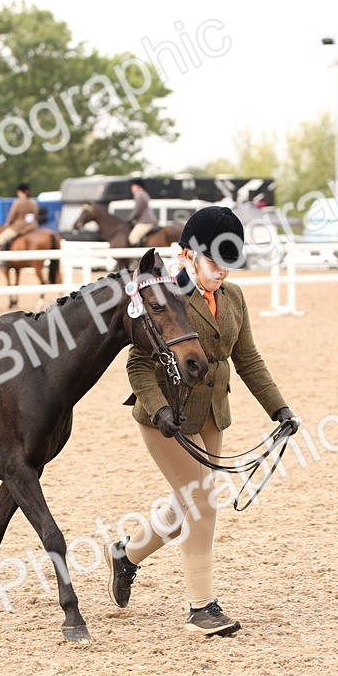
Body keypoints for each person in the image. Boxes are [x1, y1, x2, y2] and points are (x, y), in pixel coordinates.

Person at [105, 206, 300, 636]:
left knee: (186, 503)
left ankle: (127, 555)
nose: (224, 273)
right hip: (165, 416)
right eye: (215, 263)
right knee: (201, 502)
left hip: (212, 413)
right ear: (187, 254)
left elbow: (247, 358)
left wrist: (278, 408)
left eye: (230, 264)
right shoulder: (165, 296)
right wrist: (158, 408)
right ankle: (201, 607)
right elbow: (137, 365)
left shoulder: (234, 299)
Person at [0, 183, 39, 251]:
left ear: (20, 192)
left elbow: (11, 217)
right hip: (32, 226)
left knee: (0, 240)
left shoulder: (18, 202)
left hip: (19, 228)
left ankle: (3, 260)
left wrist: (7, 225)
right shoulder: (33, 203)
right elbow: (36, 216)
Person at [127, 178, 158, 247]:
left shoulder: (139, 195)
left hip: (145, 221)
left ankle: (138, 256)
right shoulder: (143, 193)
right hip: (147, 220)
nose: (131, 188)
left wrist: (130, 218)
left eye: (133, 186)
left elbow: (137, 210)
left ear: (138, 186)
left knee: (133, 238)